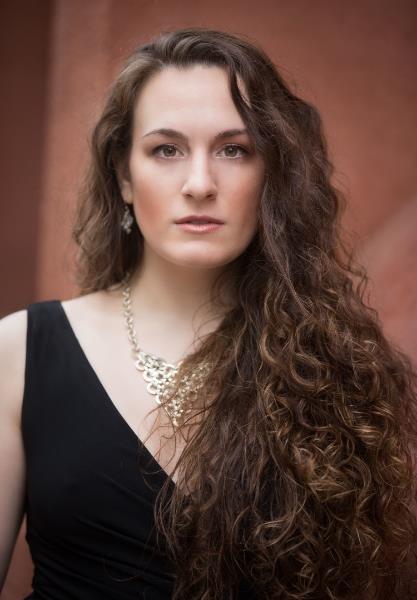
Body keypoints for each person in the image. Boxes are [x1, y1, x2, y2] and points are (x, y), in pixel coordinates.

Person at [1, 26, 416, 600]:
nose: (200, 184)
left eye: (233, 150)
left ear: (271, 175)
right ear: (124, 176)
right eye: (166, 150)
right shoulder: (19, 351)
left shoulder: (336, 367)